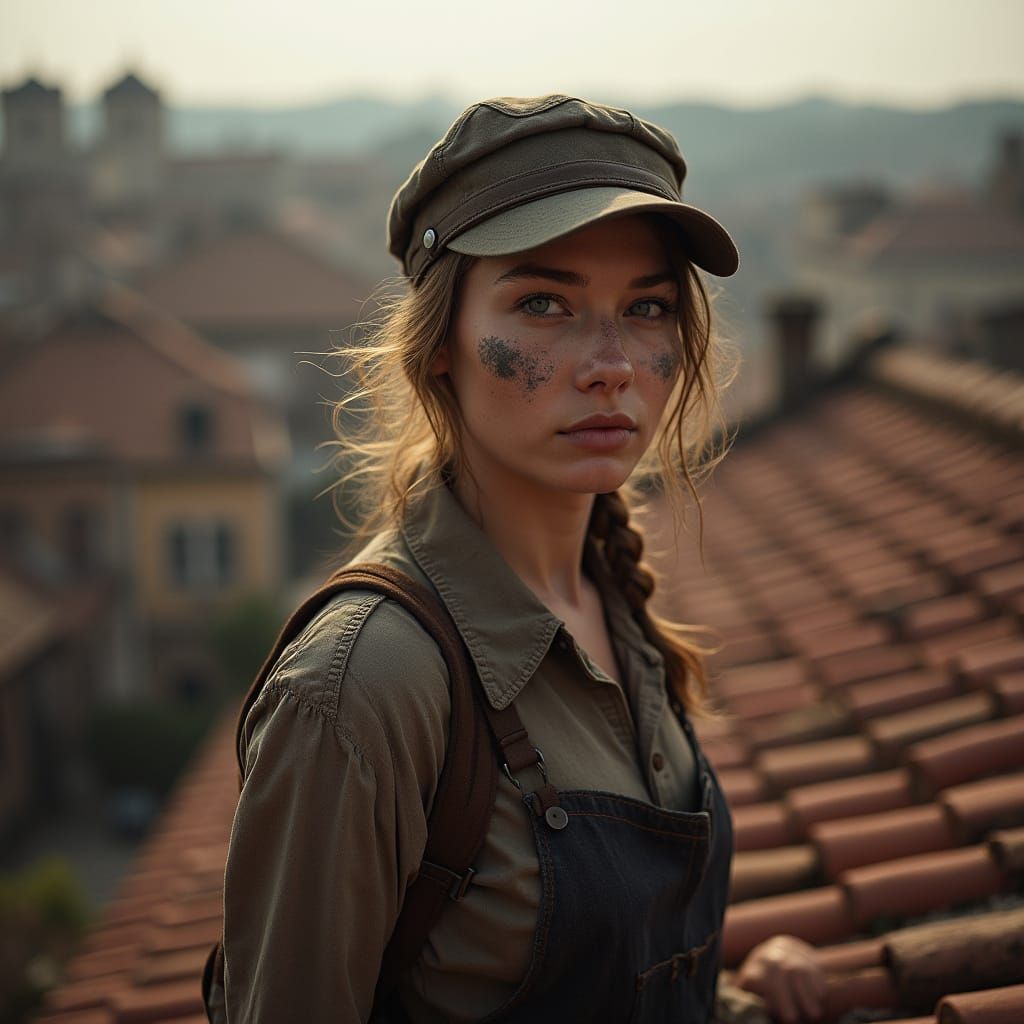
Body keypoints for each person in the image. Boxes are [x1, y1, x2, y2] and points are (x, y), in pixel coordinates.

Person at [220, 95, 826, 1023]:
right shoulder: (361, 688)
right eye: (543, 304)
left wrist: (737, 999)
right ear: (439, 349)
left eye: (648, 307)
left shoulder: (614, 604)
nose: (611, 363)